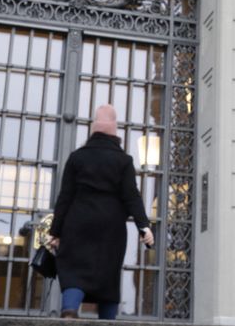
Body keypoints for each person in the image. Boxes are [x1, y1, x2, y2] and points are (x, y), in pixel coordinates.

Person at [48, 104, 155, 319]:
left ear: (93, 130)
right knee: (108, 276)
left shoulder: (77, 157)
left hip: (77, 223)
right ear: (114, 132)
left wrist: (55, 231)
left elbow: (65, 197)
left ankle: (69, 310)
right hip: (110, 227)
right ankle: (107, 320)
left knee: (74, 272)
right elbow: (131, 196)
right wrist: (144, 226)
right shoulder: (123, 161)